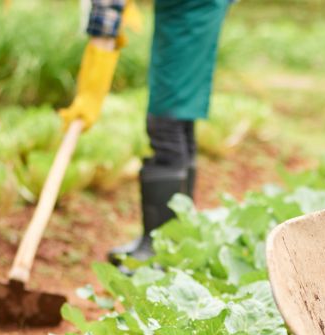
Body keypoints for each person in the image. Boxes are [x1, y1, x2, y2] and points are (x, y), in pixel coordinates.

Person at [60, 0, 233, 267]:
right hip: (187, 7)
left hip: (191, 8)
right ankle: (174, 241)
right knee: (179, 116)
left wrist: (91, 91)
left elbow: (108, 8)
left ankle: (159, 249)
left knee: (166, 121)